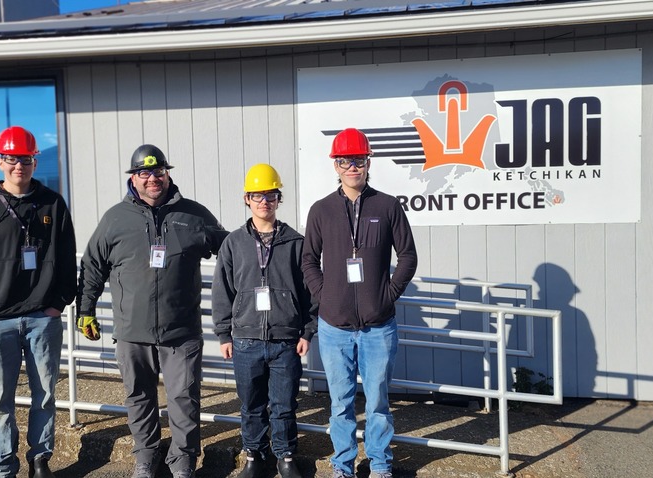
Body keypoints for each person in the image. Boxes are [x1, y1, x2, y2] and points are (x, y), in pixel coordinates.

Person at [75, 144, 228, 478]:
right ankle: (145, 457)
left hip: (181, 330)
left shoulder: (193, 215)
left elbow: (230, 251)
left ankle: (183, 460)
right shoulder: (115, 219)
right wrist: (85, 310)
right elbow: (92, 266)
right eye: (144, 173)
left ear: (167, 174)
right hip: (132, 331)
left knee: (184, 400)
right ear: (134, 178)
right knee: (139, 399)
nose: (152, 179)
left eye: (158, 171)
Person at [0, 125, 77, 478]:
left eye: (25, 159)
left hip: (42, 317)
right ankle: (3, 467)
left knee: (43, 396)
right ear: (0, 162)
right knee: (0, 403)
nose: (18, 166)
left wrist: (58, 303)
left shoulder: (52, 203)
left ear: (34, 162)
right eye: (11, 159)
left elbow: (67, 257)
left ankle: (40, 460)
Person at [300, 128, 418, 478]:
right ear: (335, 165)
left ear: (368, 162)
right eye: (345, 161)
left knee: (379, 402)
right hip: (334, 327)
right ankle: (343, 465)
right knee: (340, 403)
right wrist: (326, 296)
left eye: (359, 160)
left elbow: (408, 256)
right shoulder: (321, 210)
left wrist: (387, 294)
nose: (353, 167)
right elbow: (308, 260)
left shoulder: (387, 206)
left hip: (378, 326)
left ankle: (380, 464)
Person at [211, 164, 316, 478]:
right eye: (257, 195)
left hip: (285, 341)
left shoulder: (296, 243)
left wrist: (308, 331)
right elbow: (222, 291)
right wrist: (224, 335)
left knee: (284, 404)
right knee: (251, 404)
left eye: (270, 194)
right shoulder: (233, 244)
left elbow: (310, 292)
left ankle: (284, 456)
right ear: (247, 199)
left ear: (278, 198)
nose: (264, 201)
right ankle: (254, 456)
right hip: (245, 340)